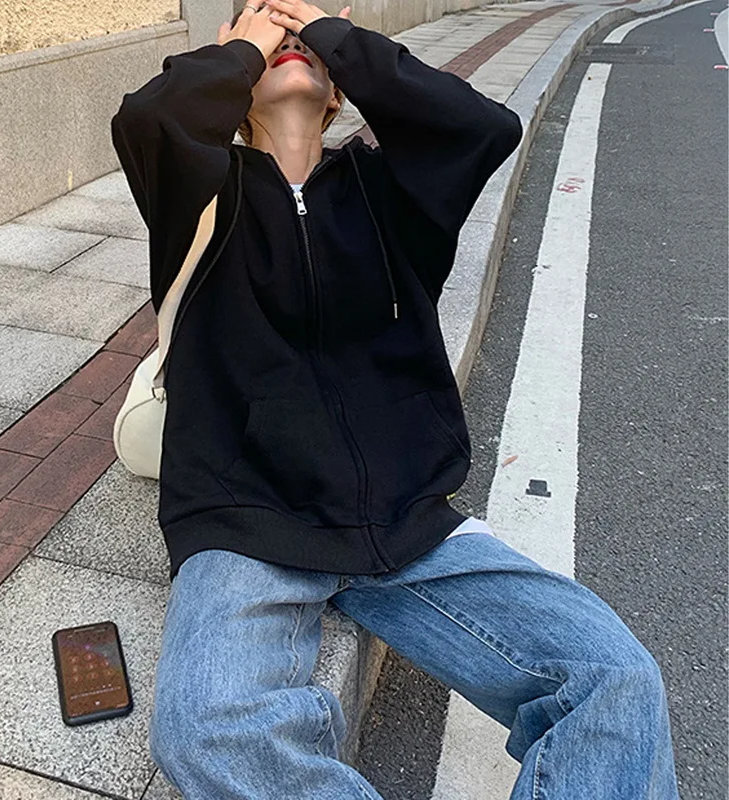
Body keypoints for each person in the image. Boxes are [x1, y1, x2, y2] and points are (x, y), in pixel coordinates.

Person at [110, 1, 681, 797]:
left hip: (409, 520)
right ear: (237, 83)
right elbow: (150, 118)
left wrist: (337, 36)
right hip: (247, 522)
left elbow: (479, 127)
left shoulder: (391, 195)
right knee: (207, 729)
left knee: (615, 679)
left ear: (340, 88)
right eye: (271, 30)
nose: (290, 39)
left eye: (303, 34)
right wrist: (242, 48)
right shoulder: (200, 198)